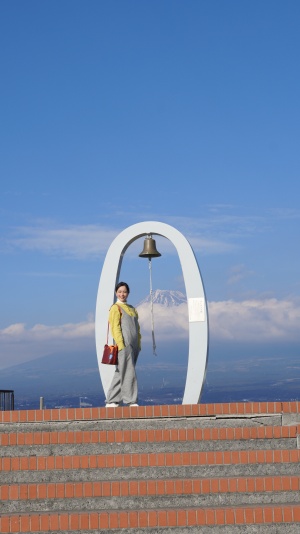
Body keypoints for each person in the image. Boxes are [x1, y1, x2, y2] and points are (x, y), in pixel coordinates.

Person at [105, 282, 141, 407]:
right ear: (116, 293)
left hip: (134, 345)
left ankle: (112, 399)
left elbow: (137, 328)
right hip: (124, 345)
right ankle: (131, 400)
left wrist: (138, 343)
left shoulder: (132, 308)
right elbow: (115, 327)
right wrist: (121, 344)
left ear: (128, 293)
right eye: (119, 291)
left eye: (124, 292)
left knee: (122, 371)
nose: (122, 294)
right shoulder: (115, 308)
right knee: (129, 372)